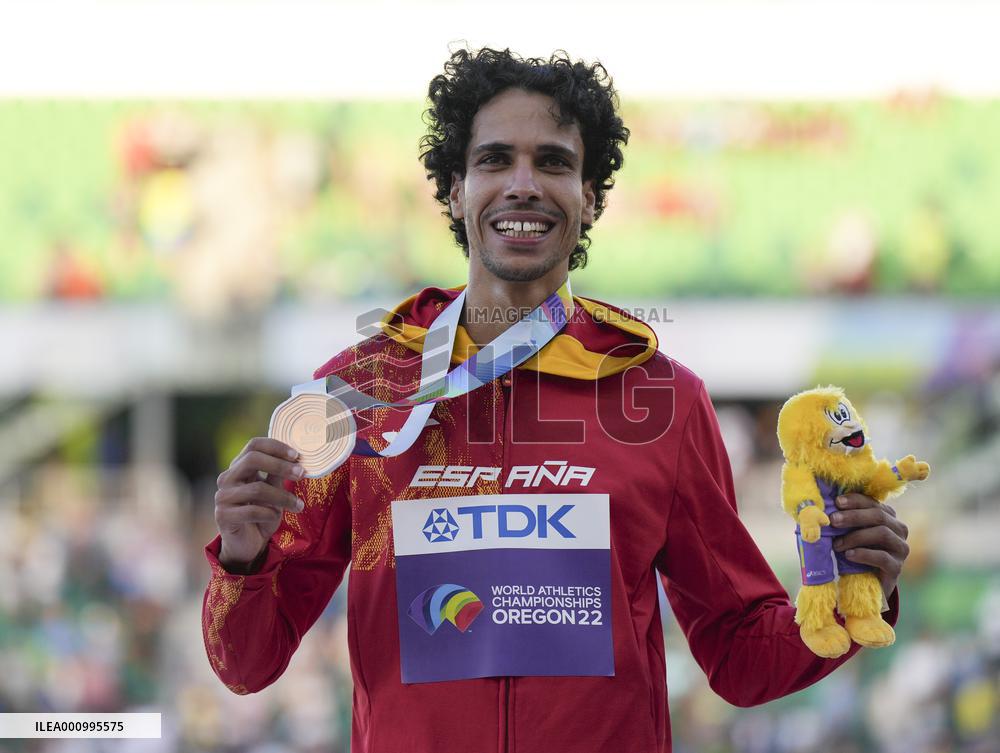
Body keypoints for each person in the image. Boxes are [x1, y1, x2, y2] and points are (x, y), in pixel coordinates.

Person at [203, 47, 911, 753]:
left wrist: (852, 590)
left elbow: (740, 655)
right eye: (493, 160)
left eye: (552, 162)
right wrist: (241, 556)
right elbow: (247, 662)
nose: (522, 184)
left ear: (590, 196)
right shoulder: (360, 396)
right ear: (454, 189)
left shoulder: (663, 397)